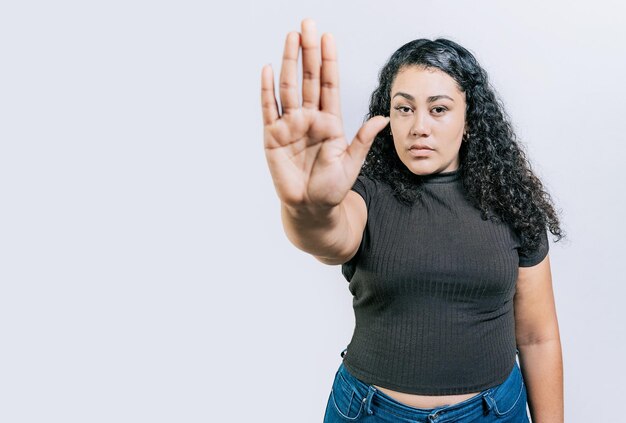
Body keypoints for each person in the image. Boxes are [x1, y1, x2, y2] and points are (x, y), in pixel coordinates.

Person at [261, 18, 564, 423]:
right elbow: (329, 238)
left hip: (493, 413)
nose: (418, 127)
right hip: (370, 412)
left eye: (438, 109)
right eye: (404, 108)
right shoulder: (365, 193)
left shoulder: (512, 202)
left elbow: (537, 337)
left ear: (469, 119)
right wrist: (308, 208)